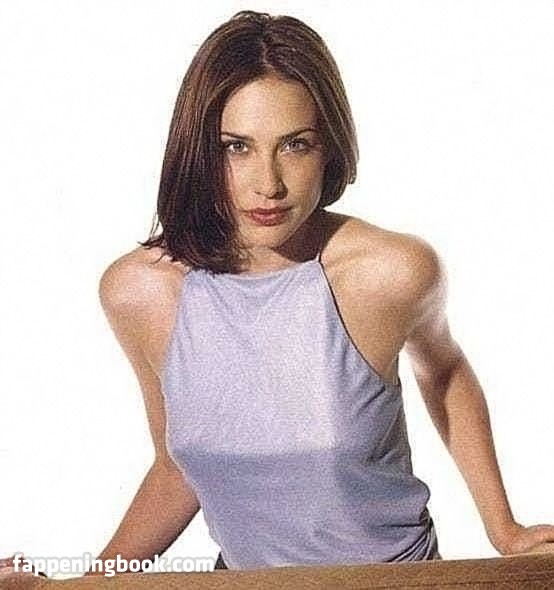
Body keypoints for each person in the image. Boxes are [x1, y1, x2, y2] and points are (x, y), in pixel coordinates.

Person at [2, 8, 554, 579]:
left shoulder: (389, 272)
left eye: (295, 145)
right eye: (235, 147)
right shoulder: (141, 293)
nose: (268, 184)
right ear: (198, 150)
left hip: (392, 581)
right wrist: (86, 582)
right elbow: (178, 467)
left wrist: (504, 528)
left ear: (329, 146)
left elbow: (444, 371)